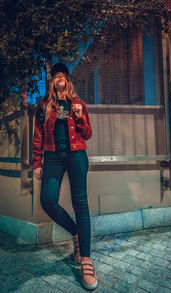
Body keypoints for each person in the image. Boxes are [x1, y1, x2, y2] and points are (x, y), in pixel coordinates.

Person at [32, 62, 98, 290]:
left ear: (68, 81)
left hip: (77, 154)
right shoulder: (43, 105)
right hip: (53, 157)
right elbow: (38, 135)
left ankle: (86, 261)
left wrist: (80, 116)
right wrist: (37, 163)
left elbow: (87, 133)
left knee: (81, 202)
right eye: (55, 75)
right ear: (52, 82)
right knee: (48, 201)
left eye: (63, 75)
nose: (59, 77)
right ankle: (78, 234)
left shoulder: (78, 103)